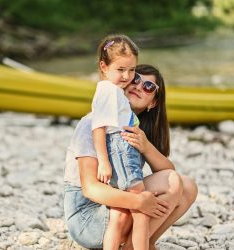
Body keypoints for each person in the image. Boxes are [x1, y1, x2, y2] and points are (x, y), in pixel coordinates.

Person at [64, 63, 198, 249]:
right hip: (88, 219)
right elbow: (90, 189)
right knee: (172, 181)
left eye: (148, 86)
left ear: (153, 102)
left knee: (187, 186)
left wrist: (146, 146)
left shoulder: (135, 128)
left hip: (116, 209)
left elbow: (168, 173)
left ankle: (141, 242)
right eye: (136, 79)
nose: (138, 86)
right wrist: (139, 201)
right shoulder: (94, 124)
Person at [91, 34, 151, 249]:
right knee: (141, 208)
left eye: (132, 70)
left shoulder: (112, 90)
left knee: (121, 212)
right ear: (103, 67)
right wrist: (103, 161)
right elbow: (98, 127)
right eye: (120, 70)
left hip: (123, 150)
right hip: (120, 150)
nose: (127, 76)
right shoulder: (109, 91)